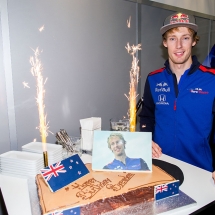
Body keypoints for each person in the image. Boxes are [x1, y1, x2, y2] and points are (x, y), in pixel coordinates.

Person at [139, 12, 215, 182]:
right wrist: (145, 140)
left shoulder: (212, 80)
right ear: (165, 43)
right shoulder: (153, 79)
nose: (179, 46)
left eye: (185, 38)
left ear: (194, 41)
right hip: (160, 167)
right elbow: (147, 116)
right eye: (173, 38)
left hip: (200, 171)